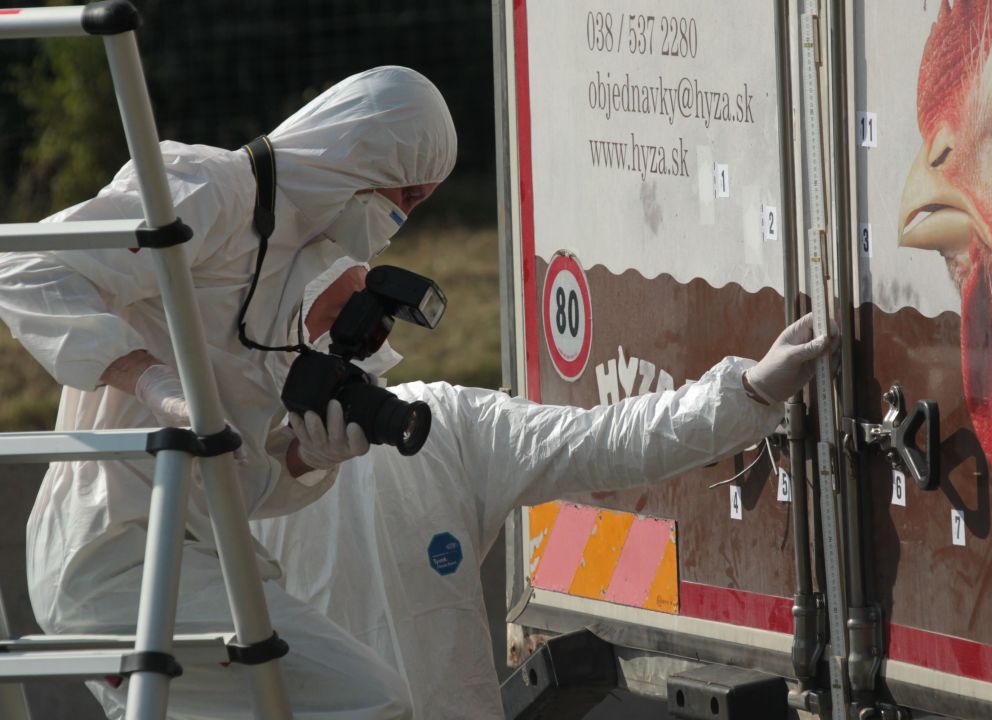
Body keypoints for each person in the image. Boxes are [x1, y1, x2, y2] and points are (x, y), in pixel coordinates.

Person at [0, 66, 456, 718]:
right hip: (110, 556)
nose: (402, 218)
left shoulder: (292, 267)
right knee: (371, 702)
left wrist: (306, 457)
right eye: (405, 195)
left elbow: (237, 483)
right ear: (363, 152)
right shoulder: (212, 188)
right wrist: (146, 377)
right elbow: (27, 269)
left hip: (200, 560)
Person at [251, 257, 831, 720]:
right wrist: (289, 465)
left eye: (367, 310)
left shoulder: (440, 423)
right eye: (337, 316)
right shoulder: (231, 480)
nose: (360, 333)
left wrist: (747, 393)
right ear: (275, 340)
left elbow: (598, 443)